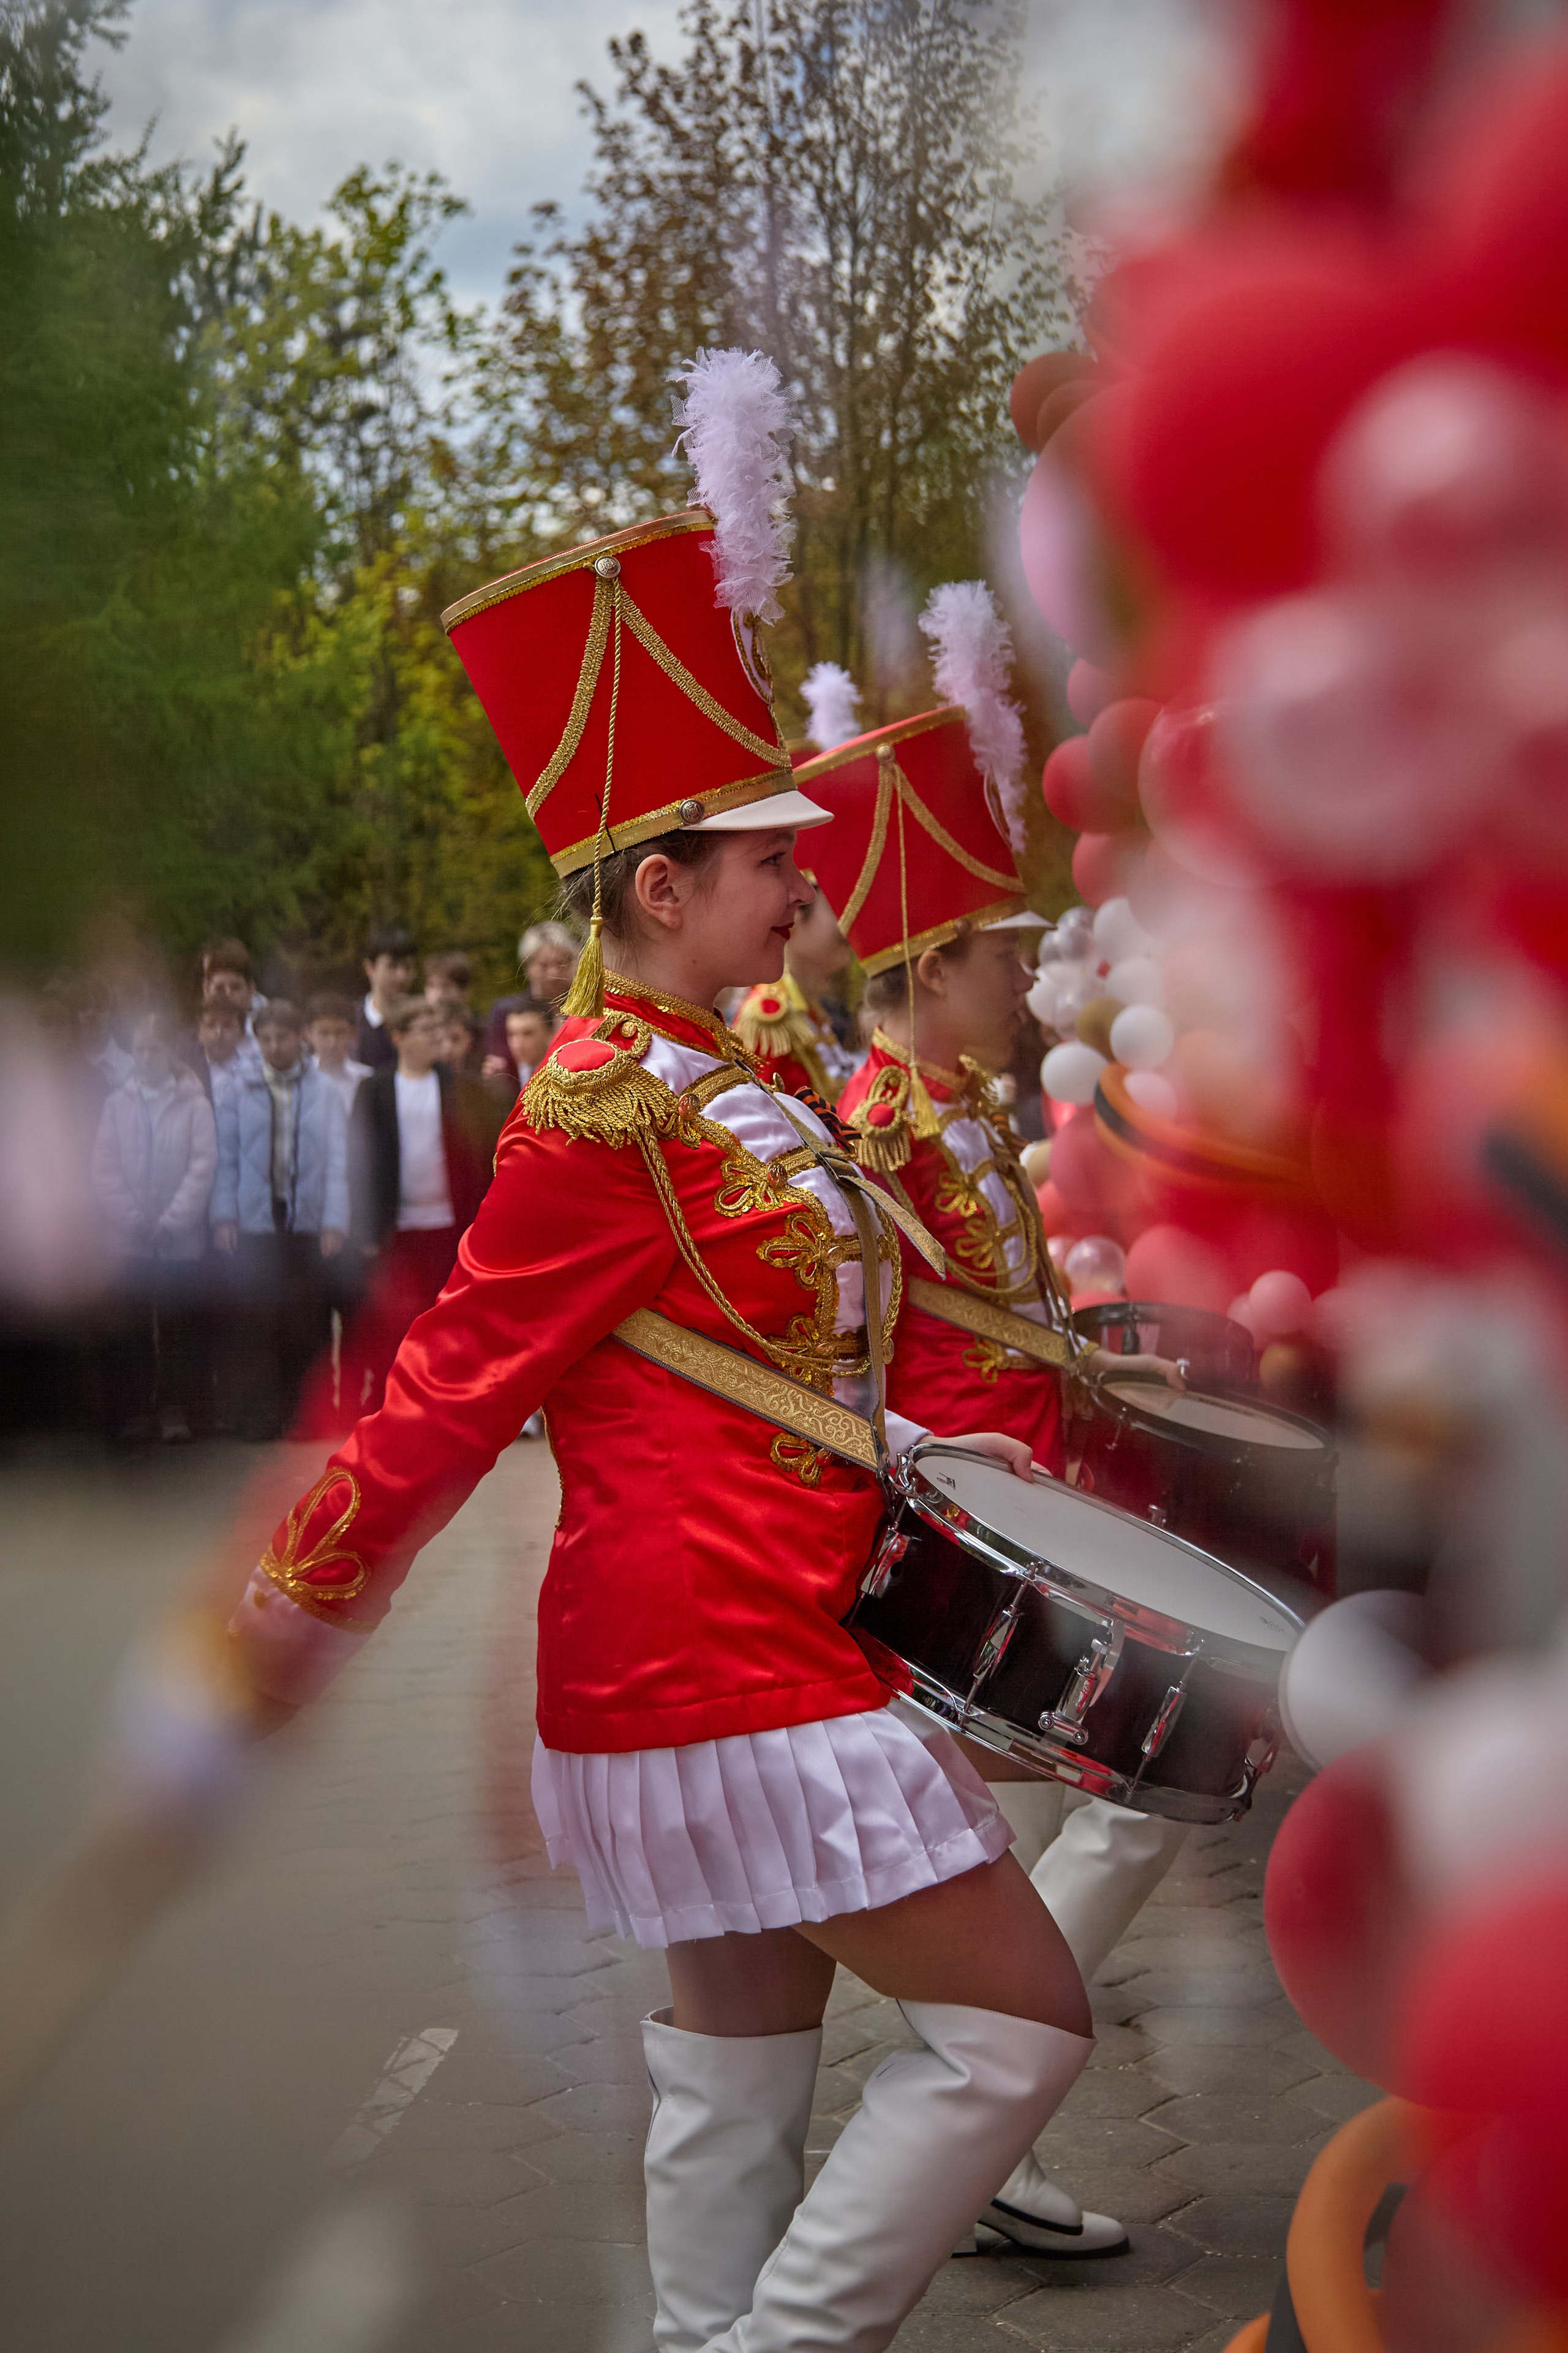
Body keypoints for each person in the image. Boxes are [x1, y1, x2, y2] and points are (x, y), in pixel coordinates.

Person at [222, 447, 1096, 2353]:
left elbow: (793, 1349)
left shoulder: (730, 1084)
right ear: (662, 882)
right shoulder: (597, 1114)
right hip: (717, 1649)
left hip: (772, 1625)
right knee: (1022, 2024)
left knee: (740, 2065)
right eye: (771, 861)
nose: (803, 888)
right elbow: (451, 1388)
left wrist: (932, 1447)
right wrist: (294, 1601)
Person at [800, 646, 1189, 2258]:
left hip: (1042, 1502)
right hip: (972, 1529)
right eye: (1002, 954)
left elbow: (1006, 1309)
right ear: (934, 960)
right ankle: (969, 2118)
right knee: (1137, 1788)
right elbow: (862, 1350)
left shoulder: (953, 1101)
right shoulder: (880, 1128)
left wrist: (1102, 1375)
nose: (1024, 979)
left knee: (1119, 1797)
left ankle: (970, 2117)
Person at [344, 995, 498, 1413]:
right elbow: (361, 1163)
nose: (435, 1038)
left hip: (448, 1223)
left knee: (446, 1315)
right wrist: (365, 1228)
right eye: (425, 1031)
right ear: (398, 1038)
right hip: (395, 1225)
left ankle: (446, 1397)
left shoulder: (458, 1087)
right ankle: (386, 1401)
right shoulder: (374, 1090)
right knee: (390, 1316)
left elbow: (475, 1156)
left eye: (437, 1030)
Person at [211, 1001, 348, 1440]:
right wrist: (224, 1214)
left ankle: (306, 1414)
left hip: (306, 1219)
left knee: (306, 1319)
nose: (273, 1047)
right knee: (258, 1320)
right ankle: (259, 1415)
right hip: (255, 1220)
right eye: (265, 1039)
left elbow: (338, 1159)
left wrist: (334, 1220)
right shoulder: (237, 1088)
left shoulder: (325, 1090)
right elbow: (225, 1157)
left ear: (300, 1038)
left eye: (282, 1038)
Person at [89, 1008, 217, 1442]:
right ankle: (136, 1412)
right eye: (140, 1049)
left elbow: (202, 1166)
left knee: (178, 1332)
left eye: (155, 1049)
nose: (146, 1057)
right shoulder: (117, 1104)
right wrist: (132, 1219)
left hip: (179, 1243)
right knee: (133, 1332)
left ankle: (174, 1409)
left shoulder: (195, 1104)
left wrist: (171, 1221)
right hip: (130, 1244)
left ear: (170, 1051)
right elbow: (104, 1169)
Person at [733, 877, 861, 1101]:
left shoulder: (810, 1006)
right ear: (796, 912)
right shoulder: (768, 1019)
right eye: (839, 906)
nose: (851, 920)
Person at [481, 920, 581, 1068]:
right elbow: (499, 1064)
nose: (554, 974)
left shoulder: (584, 1010)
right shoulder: (505, 1011)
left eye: (561, 964)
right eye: (544, 966)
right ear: (527, 967)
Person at [356, 926, 419, 1072]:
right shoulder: (352, 1021)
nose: (402, 976)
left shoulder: (423, 1023)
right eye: (392, 966)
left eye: (408, 967)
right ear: (370, 967)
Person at [305, 993, 371, 1118]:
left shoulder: (366, 1080)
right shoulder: (299, 1079)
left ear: (353, 1034)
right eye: (324, 1033)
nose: (332, 1043)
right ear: (309, 1034)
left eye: (340, 1033)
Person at [423, 950, 472, 1014]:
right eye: (431, 986)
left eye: (446, 987)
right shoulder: (416, 1019)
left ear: (465, 992)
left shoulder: (477, 1020)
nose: (439, 995)